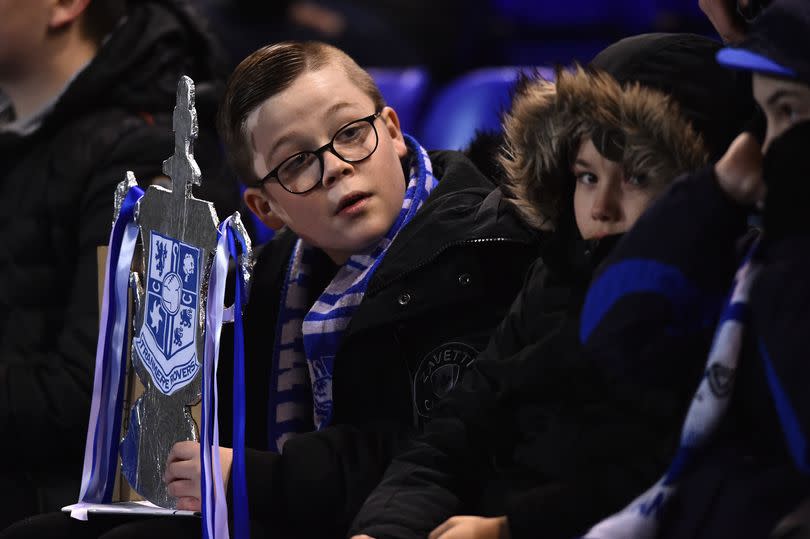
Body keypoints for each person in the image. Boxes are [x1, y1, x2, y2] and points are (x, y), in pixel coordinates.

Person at [1, 40, 539, 538]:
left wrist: (259, 477)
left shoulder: (481, 251)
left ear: (394, 132)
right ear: (266, 209)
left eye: (352, 132)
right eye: (297, 162)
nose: (335, 168)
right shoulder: (263, 279)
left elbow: (439, 450)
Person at [348, 56, 717, 539]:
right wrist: (384, 530)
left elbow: (659, 475)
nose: (602, 208)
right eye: (587, 176)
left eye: (637, 178)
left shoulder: (711, 303)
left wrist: (505, 528)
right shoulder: (555, 272)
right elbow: (453, 436)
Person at [560, 1, 810, 538]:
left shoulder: (781, 267)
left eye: (787, 113)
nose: (759, 153)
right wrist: (715, 194)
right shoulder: (750, 247)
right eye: (760, 119)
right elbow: (616, 334)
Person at [0, 0, 232, 529]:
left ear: (64, 6)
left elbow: (104, 398)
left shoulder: (150, 152)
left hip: (61, 501)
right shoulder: (23, 136)